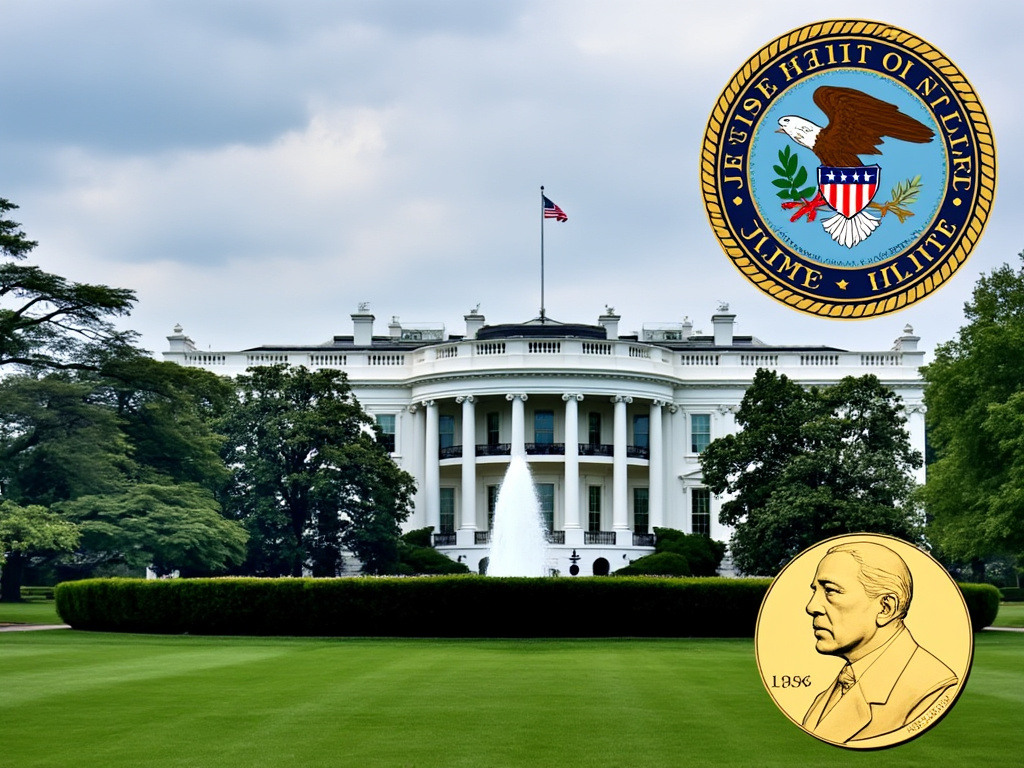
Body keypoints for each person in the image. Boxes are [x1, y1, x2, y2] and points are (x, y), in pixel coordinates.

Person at [801, 541, 958, 743]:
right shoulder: (829, 693)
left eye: (830, 591)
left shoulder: (933, 692)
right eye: (815, 591)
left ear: (886, 608)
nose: (811, 606)